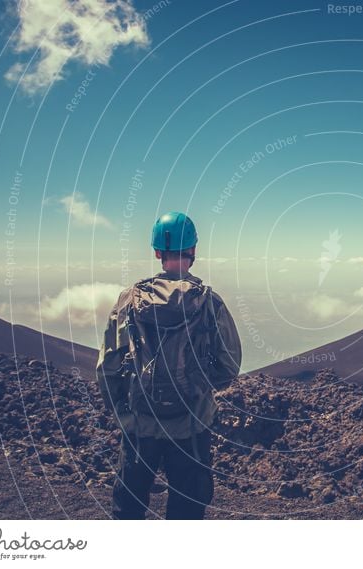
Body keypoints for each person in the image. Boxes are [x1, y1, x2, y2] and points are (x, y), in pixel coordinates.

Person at [96, 211, 242, 519]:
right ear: (193, 251)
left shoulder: (129, 299)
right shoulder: (208, 302)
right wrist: (199, 389)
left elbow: (107, 366)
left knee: (129, 511)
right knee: (186, 512)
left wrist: (124, 413)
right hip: (191, 424)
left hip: (141, 424)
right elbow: (229, 366)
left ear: (157, 252)